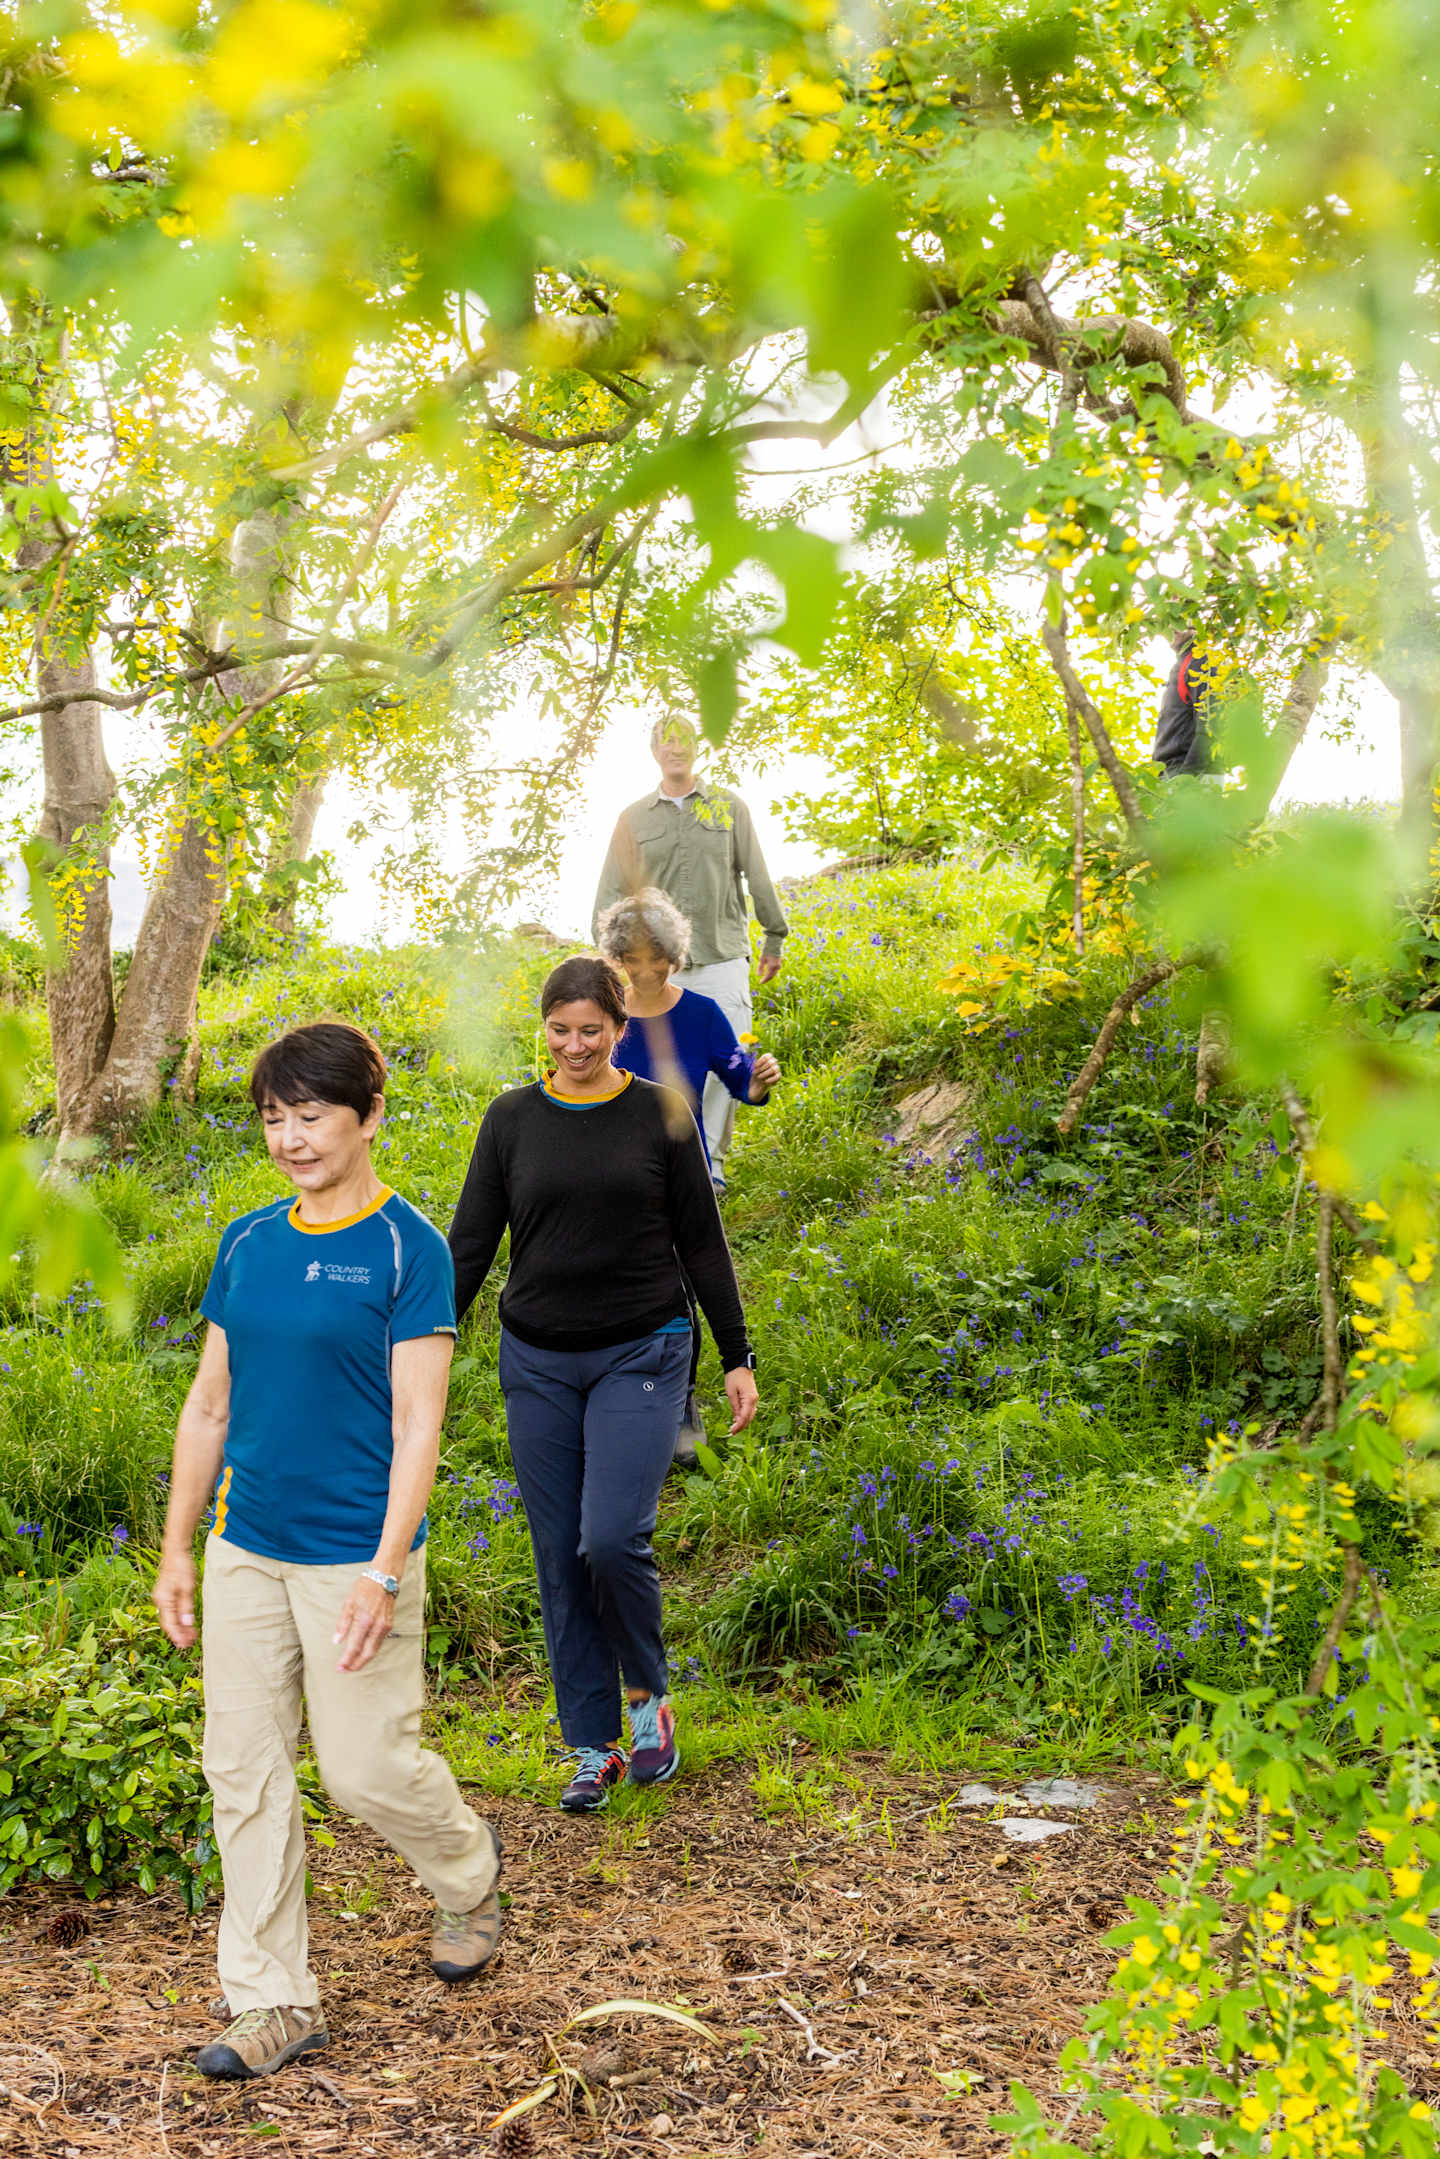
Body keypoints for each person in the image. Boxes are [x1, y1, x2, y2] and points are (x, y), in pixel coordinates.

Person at [151, 1022, 502, 2086]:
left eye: (312, 1115)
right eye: (273, 1117)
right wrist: (177, 1544)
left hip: (358, 1554)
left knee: (362, 1770)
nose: (291, 1137)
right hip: (246, 1546)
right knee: (243, 1771)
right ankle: (273, 1998)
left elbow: (417, 1426)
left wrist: (386, 1565)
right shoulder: (250, 1241)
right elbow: (209, 1403)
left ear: (368, 1115)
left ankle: (468, 1870)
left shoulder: (409, 1248)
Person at [447, 955, 758, 1813]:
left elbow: (703, 1240)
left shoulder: (660, 1111)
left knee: (610, 1537)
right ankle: (594, 1746)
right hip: (537, 1360)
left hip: (643, 1348)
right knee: (557, 1553)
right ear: (541, 1027)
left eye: (592, 1030)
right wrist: (418, 1347)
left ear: (621, 1030)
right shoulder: (511, 1119)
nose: (575, 1045)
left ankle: (647, 1694)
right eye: (560, 1029)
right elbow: (470, 1245)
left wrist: (737, 1354)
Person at [598, 886, 780, 1468]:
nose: (646, 972)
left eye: (657, 961)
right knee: (618, 1293)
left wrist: (756, 1082)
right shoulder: (605, 1018)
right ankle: (619, 1400)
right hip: (608, 1180)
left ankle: (679, 1406)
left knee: (678, 1294)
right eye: (632, 962)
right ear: (615, 959)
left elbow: (738, 1082)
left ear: (676, 957)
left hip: (681, 1174)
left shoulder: (701, 1014)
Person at [592, 714, 788, 1187]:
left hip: (722, 955)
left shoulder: (729, 807)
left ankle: (710, 1167)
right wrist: (608, 959)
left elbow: (757, 874)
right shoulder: (632, 819)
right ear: (654, 750)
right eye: (666, 740)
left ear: (697, 748)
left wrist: (774, 936)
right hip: (654, 968)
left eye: (684, 739)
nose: (675, 747)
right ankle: (653, 1162)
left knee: (729, 1063)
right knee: (659, 1067)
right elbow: (610, 890)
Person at [1151, 630, 1215, 776]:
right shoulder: (1183, 663)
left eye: (1181, 619)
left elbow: (1210, 723)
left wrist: (1187, 777)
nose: (1173, 628)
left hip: (1188, 771)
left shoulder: (1200, 661)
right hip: (1170, 770)